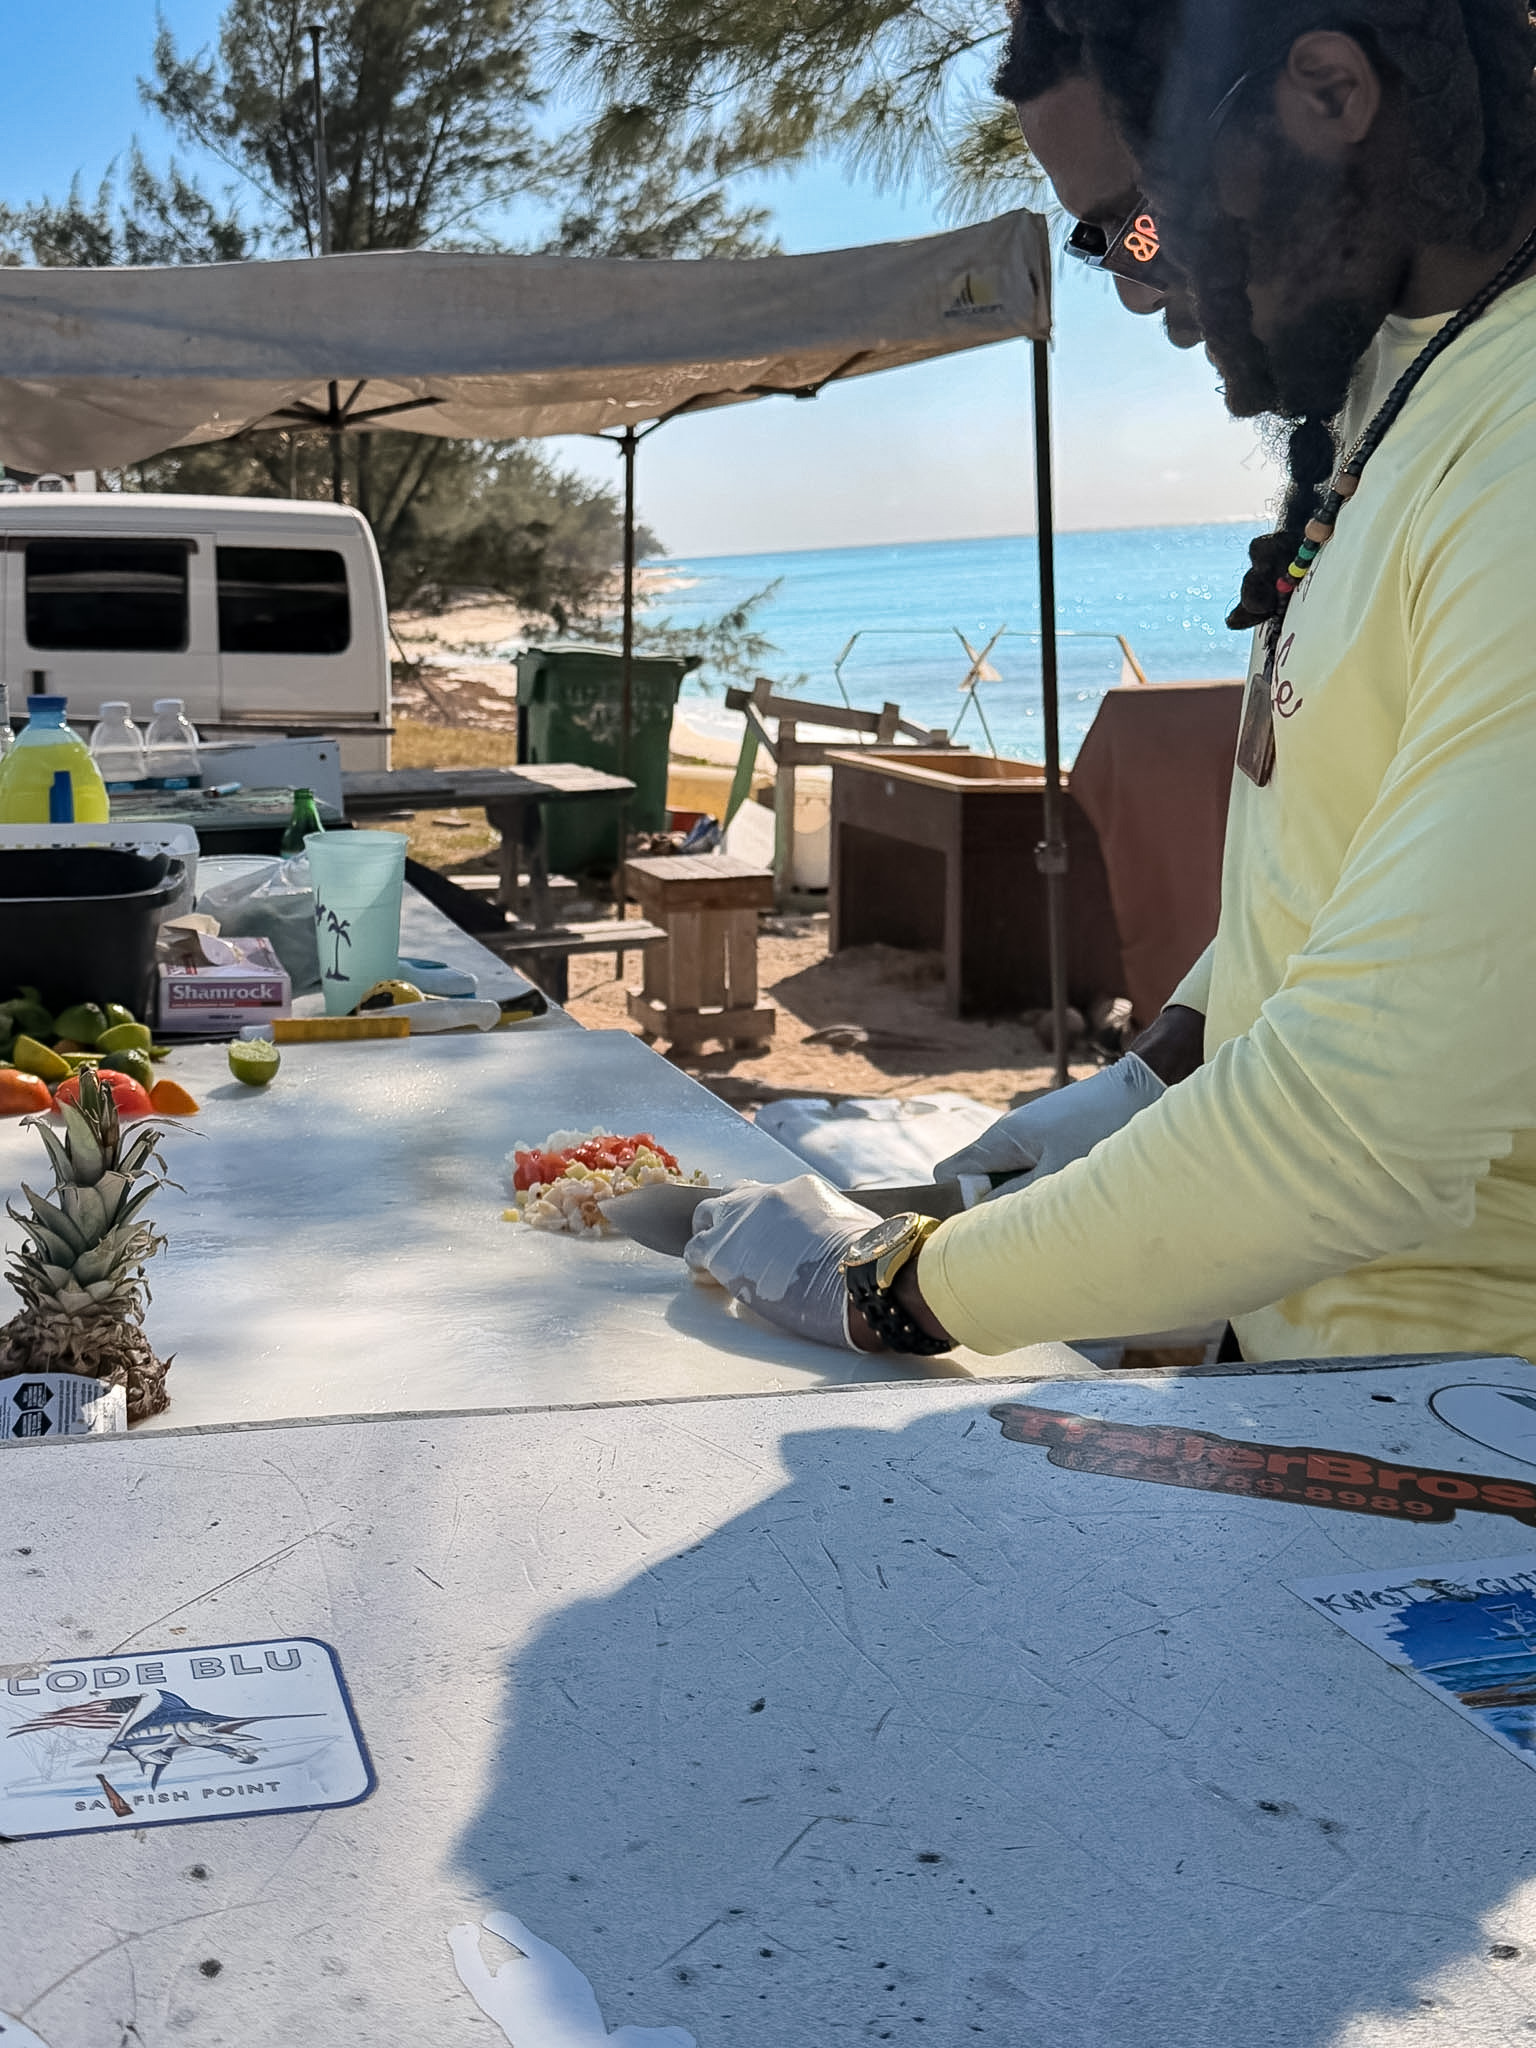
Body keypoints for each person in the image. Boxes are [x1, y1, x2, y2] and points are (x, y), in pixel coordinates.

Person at [686, 0, 1536, 1369]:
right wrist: (1158, 1069)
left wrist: (903, 1284)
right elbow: (1349, 875)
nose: (1137, 285)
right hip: (1324, 1380)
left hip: (1475, 1447)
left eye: (1138, 220)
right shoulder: (1406, 388)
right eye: (1098, 245)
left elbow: (1365, 1127)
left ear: (1327, 93)